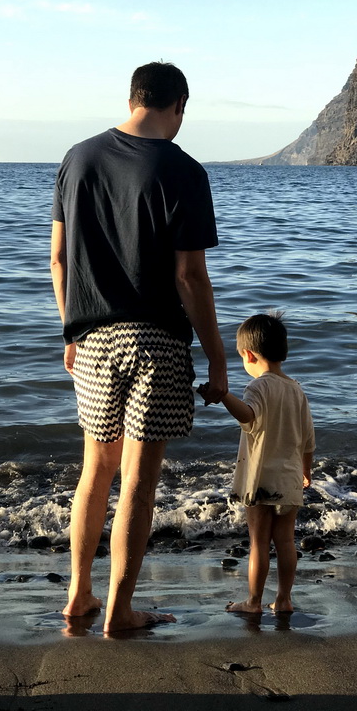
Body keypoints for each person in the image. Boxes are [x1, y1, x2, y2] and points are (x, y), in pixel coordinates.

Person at [50, 61, 228, 633]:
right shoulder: (183, 171)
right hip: (155, 341)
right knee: (138, 481)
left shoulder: (77, 158)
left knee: (94, 473)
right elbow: (189, 279)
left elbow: (58, 259)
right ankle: (121, 611)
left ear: (133, 98)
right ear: (178, 106)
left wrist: (72, 330)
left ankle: (79, 597)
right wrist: (220, 359)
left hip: (94, 338)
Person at [201, 312, 315, 615]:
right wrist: (306, 471)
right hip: (289, 478)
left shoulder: (258, 387)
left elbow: (248, 416)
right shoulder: (297, 390)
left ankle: (253, 601)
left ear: (248, 355)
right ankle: (284, 599)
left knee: (259, 541)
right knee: (286, 541)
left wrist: (223, 396)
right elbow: (308, 440)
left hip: (260, 478)